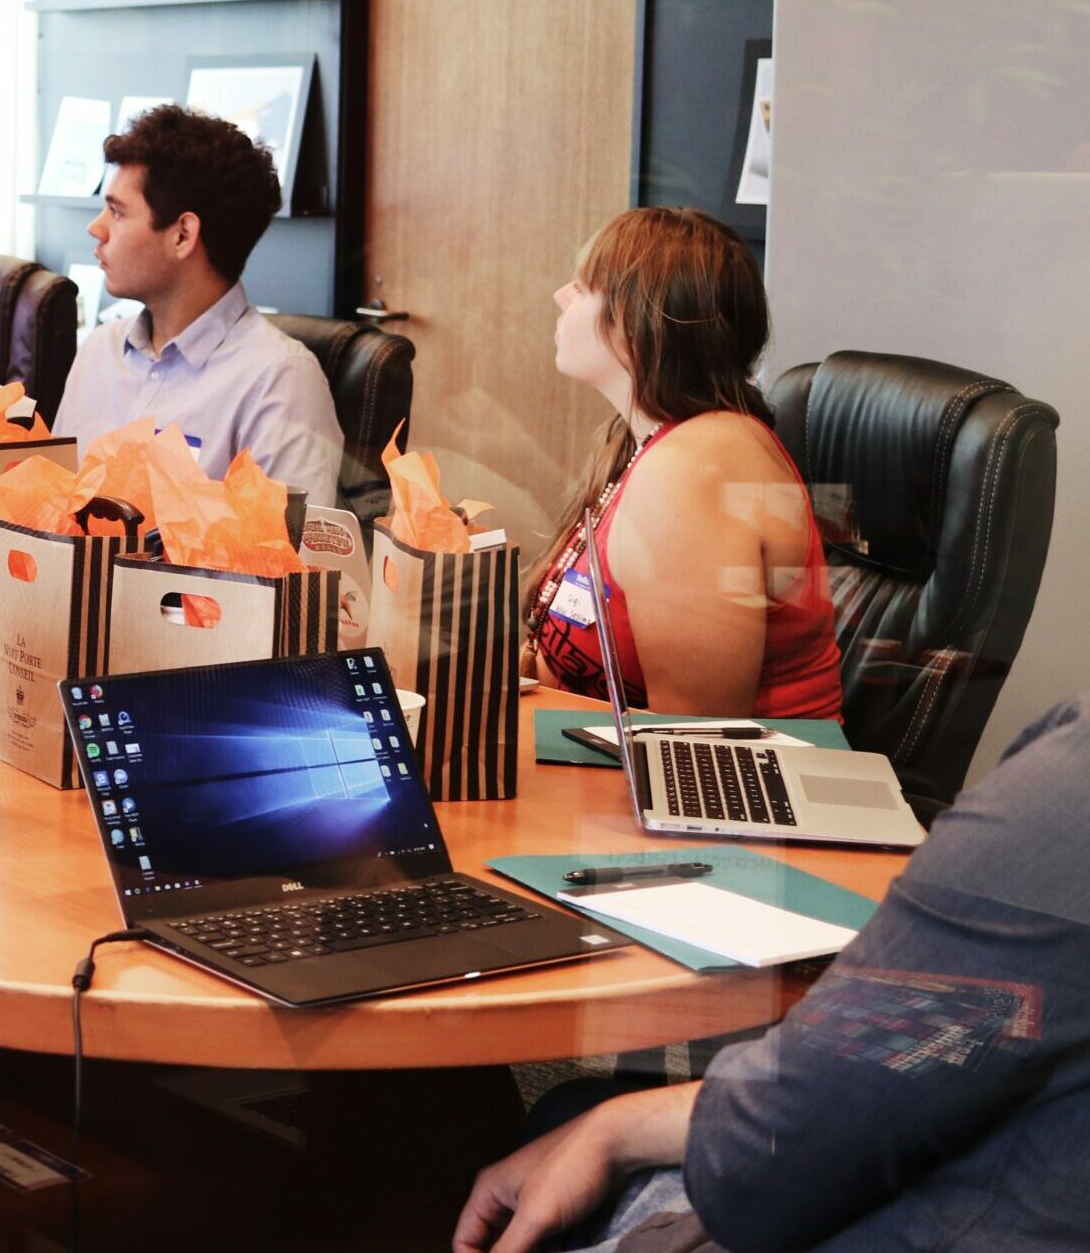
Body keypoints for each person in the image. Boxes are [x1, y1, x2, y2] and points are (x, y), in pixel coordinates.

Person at [455, 694, 1090, 1253]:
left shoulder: (1068, 796)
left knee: (508, 1162)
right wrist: (610, 1128)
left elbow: (762, 1181)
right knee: (571, 1108)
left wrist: (612, 1132)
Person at [526, 207, 843, 720]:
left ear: (635, 323)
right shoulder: (643, 440)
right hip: (615, 762)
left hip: (738, 789)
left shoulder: (695, 466)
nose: (561, 296)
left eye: (584, 288)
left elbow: (694, 739)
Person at [52, 104, 345, 508]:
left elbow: (289, 563)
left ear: (183, 235)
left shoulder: (279, 381)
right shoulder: (98, 352)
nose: (96, 228)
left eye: (118, 212)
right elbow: (49, 518)